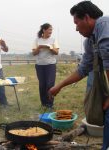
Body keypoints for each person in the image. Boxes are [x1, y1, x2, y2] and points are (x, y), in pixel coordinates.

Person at [49, 1, 109, 149]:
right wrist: (59, 86)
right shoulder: (90, 41)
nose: (76, 29)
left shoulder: (105, 26)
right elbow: (83, 69)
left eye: (77, 23)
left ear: (87, 18)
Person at [32, 23, 59, 108]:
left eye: (51, 30)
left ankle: (50, 104)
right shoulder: (37, 40)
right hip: (39, 65)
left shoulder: (53, 40)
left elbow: (56, 52)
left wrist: (50, 48)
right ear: (44, 30)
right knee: (42, 85)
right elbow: (34, 53)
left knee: (50, 84)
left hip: (50, 65)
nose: (50, 31)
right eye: (49, 29)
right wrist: (39, 47)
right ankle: (43, 104)